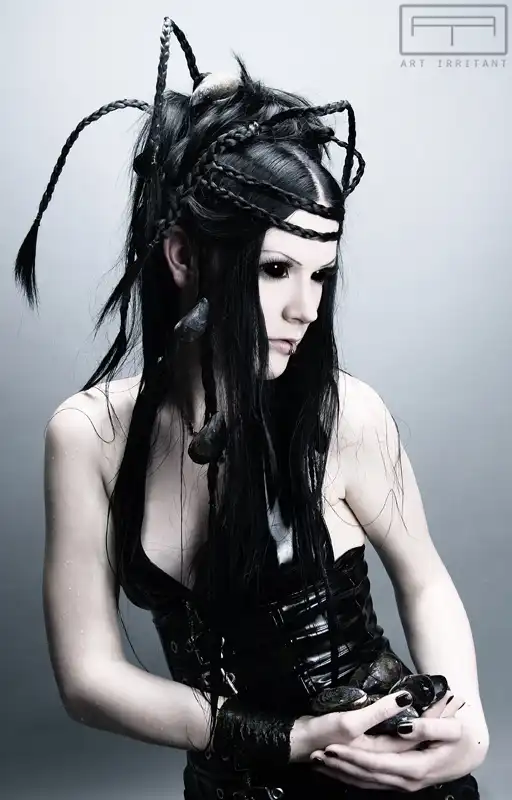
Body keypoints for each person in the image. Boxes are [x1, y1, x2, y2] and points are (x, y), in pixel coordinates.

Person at [15, 17, 488, 800]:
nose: (306, 307)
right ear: (183, 257)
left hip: (391, 781)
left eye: (320, 274)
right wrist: (282, 738)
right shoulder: (90, 437)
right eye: (276, 269)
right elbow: (88, 676)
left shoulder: (344, 416)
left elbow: (426, 578)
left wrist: (467, 728)